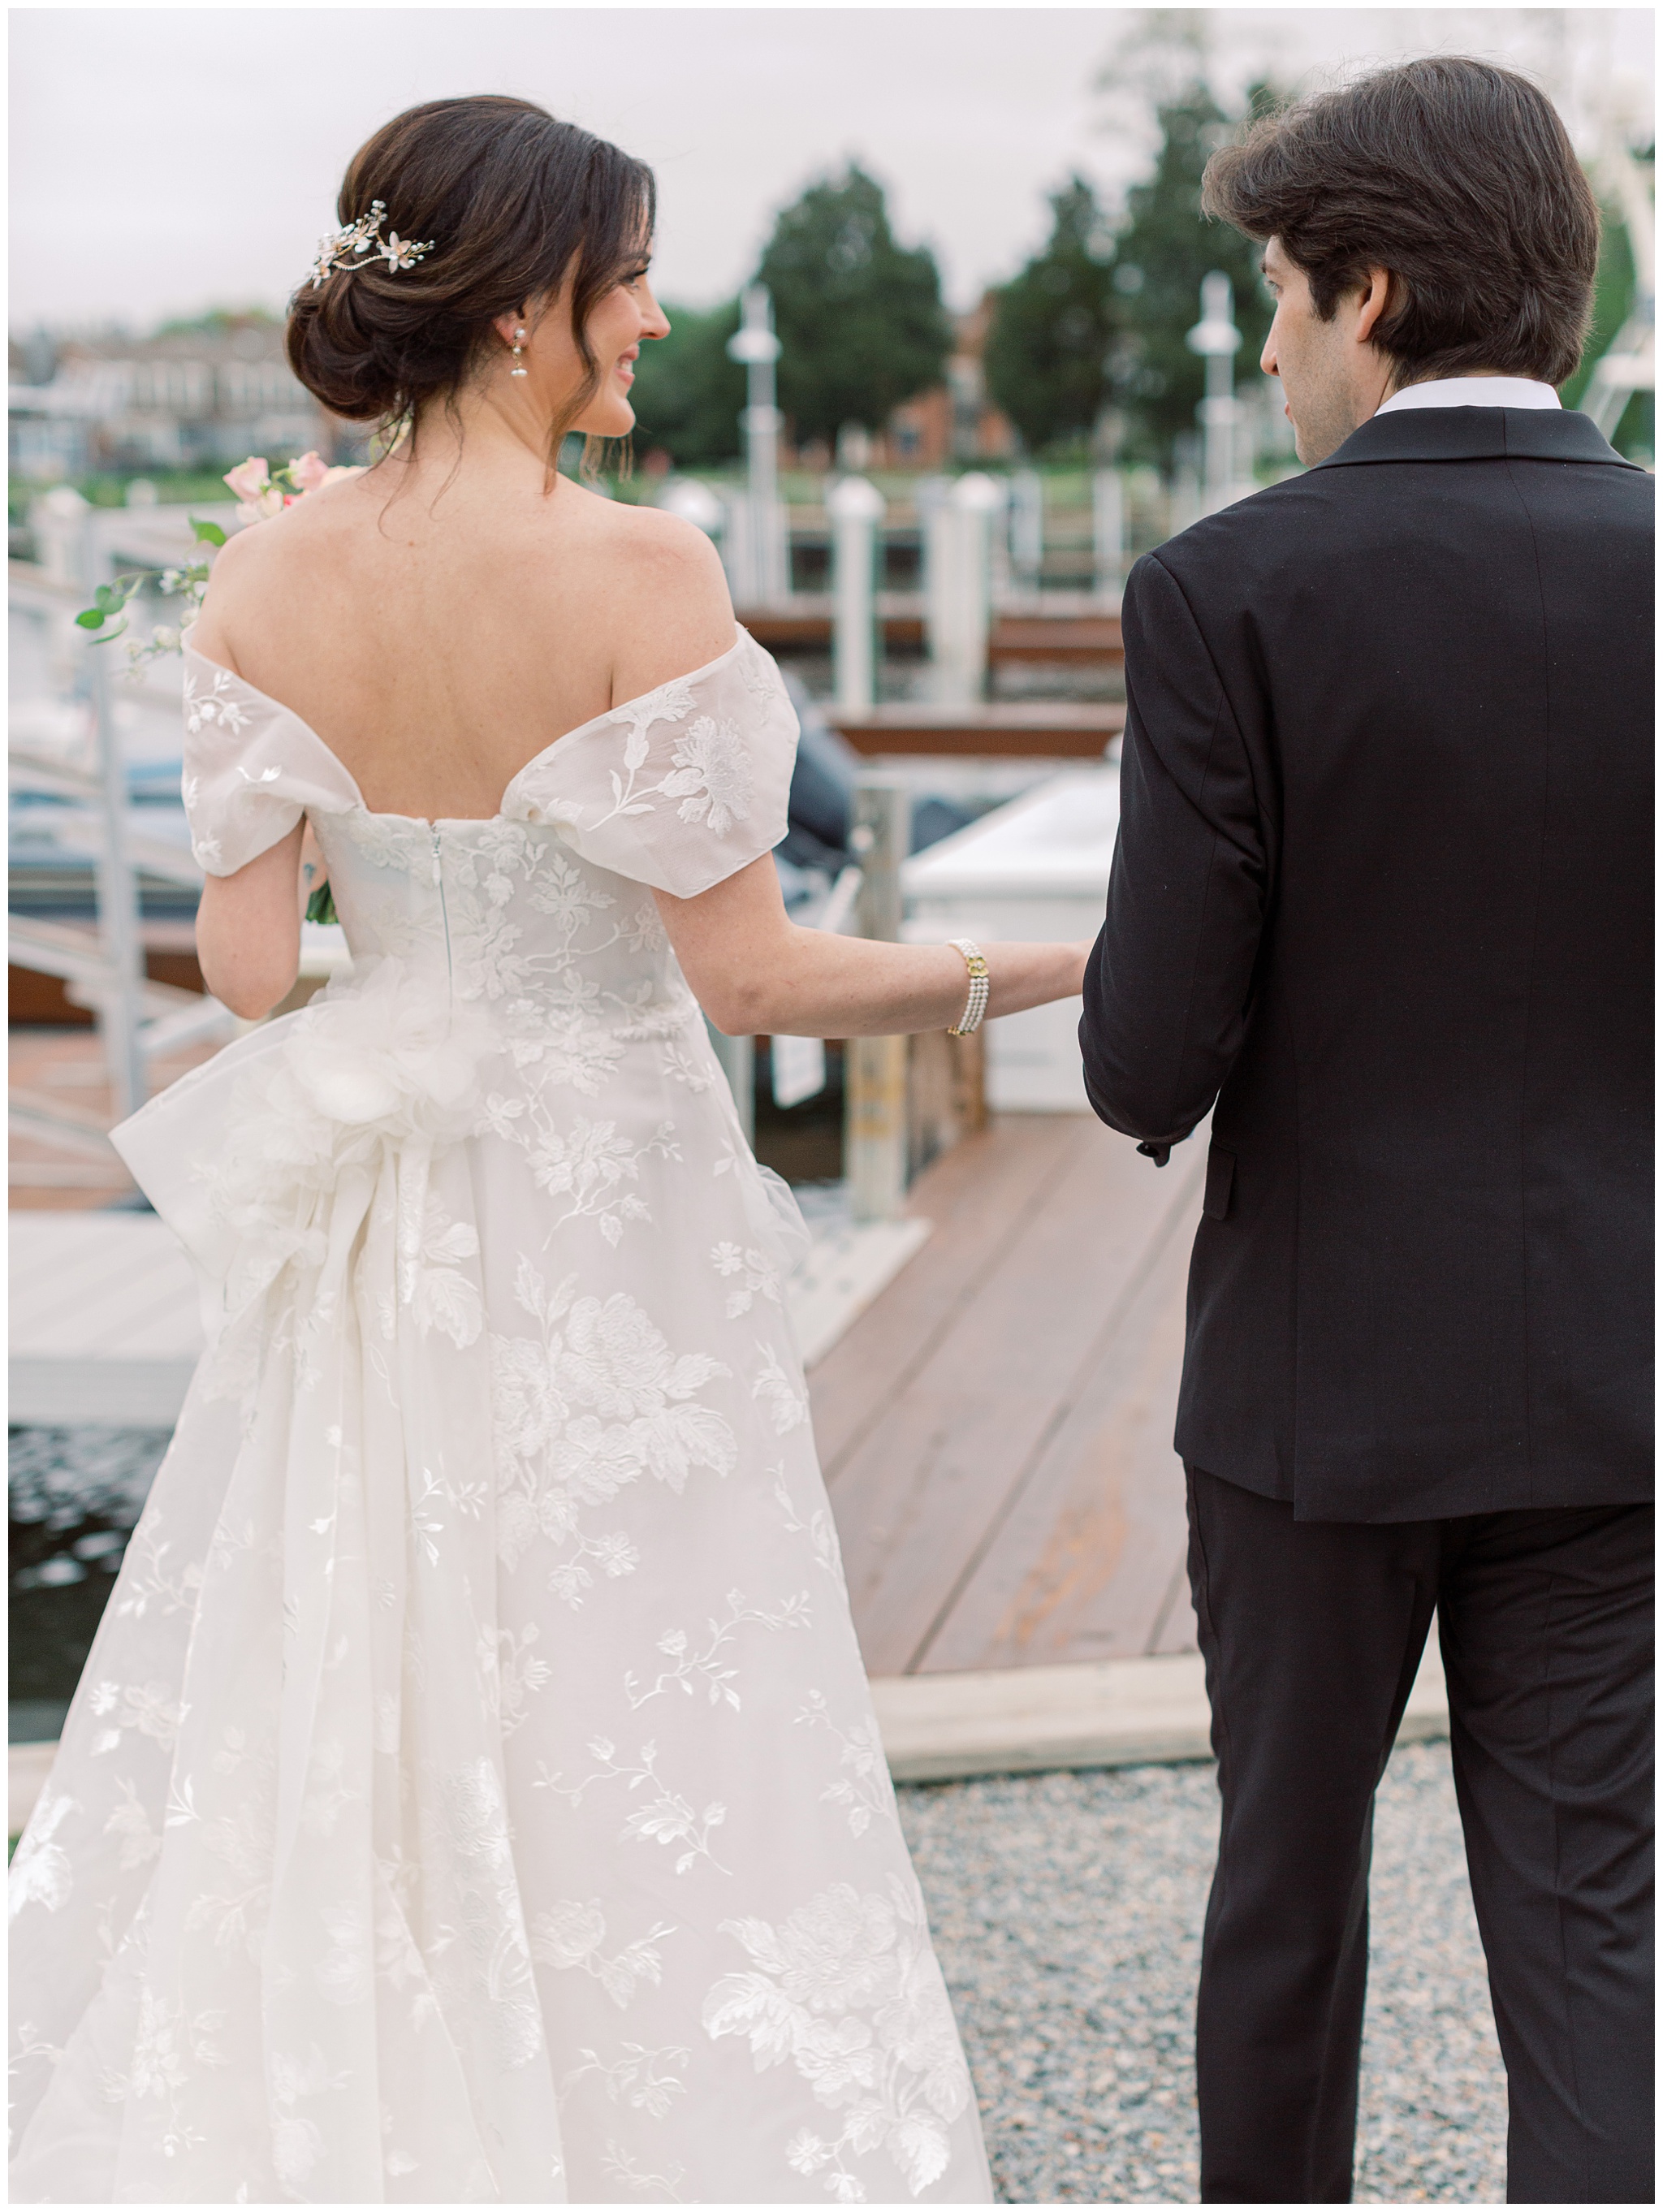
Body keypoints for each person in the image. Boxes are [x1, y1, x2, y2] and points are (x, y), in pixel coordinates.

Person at [8, 94, 1091, 2202]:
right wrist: (1038, 966)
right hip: (608, 1200)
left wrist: (409, 952)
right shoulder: (638, 567)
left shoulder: (265, 566)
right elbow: (757, 980)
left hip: (382, 1204)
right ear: (523, 315)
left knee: (361, 1658)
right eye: (628, 283)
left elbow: (243, 968)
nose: (651, 322)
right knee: (642, 1677)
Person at [1079, 56, 1652, 2207]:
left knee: (1287, 1913)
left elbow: (1147, 1062)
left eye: (1278, 297)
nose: (1265, 342)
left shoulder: (1226, 593)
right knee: (1600, 1935)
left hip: (1315, 1400)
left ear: (1375, 290)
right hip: (1615, 1372)